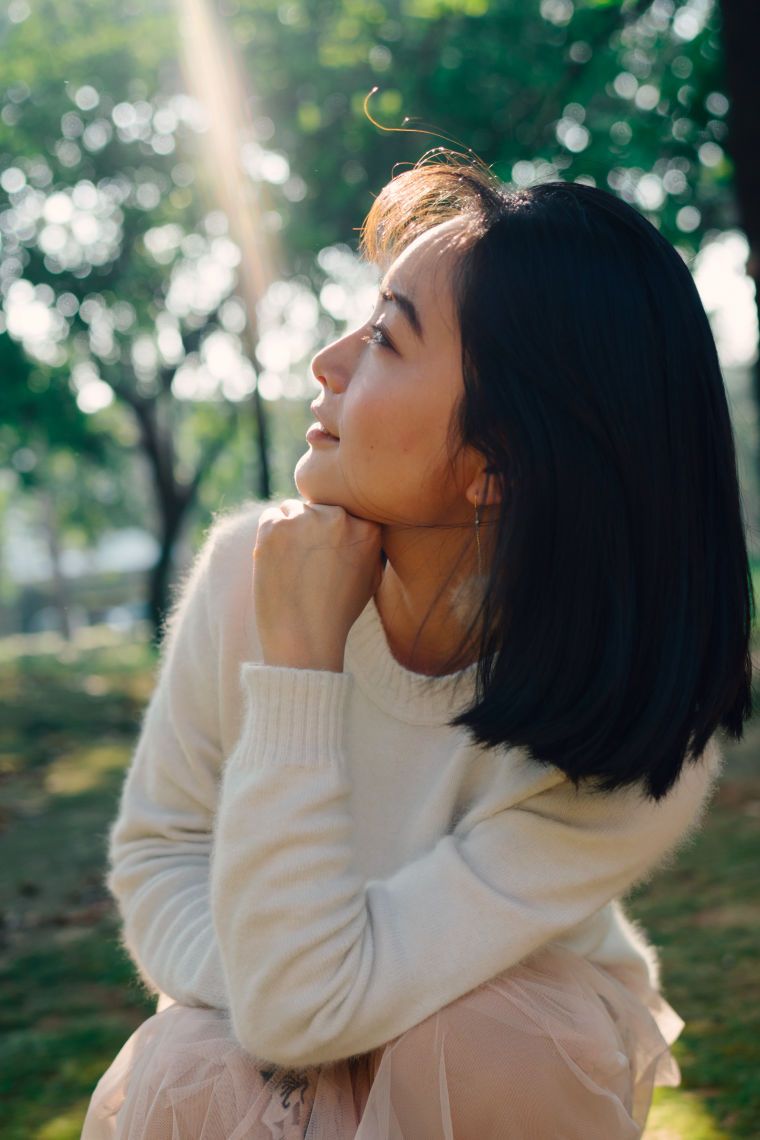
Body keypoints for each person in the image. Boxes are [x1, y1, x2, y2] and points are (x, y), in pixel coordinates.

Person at [82, 157, 752, 1140]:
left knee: (465, 1033)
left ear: (496, 463)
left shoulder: (625, 736)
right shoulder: (248, 573)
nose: (329, 360)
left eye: (387, 340)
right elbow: (163, 850)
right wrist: (294, 988)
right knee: (200, 1059)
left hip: (510, 1059)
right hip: (269, 1023)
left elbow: (324, 1007)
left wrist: (300, 674)